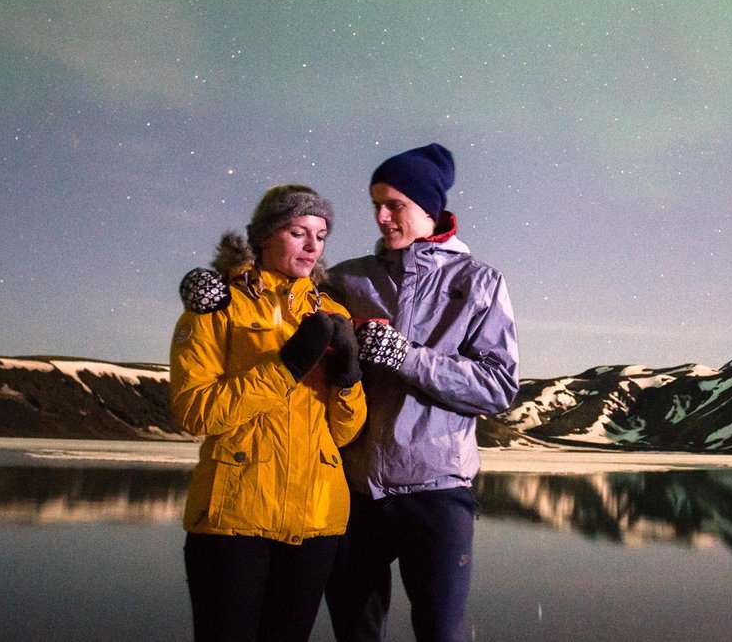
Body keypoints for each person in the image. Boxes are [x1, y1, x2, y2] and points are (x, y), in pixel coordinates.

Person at [323, 143, 519, 642]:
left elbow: (498, 387)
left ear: (428, 208)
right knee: (355, 632)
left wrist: (404, 356)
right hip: (353, 490)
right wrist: (221, 282)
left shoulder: (480, 283)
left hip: (437, 493)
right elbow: (280, 292)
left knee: (439, 633)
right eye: (375, 205)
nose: (381, 217)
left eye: (395, 204)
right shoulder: (348, 278)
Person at [171, 184, 367, 642]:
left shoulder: (334, 311)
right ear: (263, 236)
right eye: (298, 231)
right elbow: (194, 411)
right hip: (234, 517)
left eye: (321, 234)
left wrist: (349, 378)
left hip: (316, 520)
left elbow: (344, 432)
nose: (313, 245)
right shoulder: (218, 304)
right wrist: (287, 367)